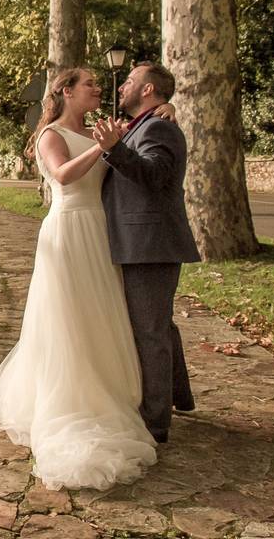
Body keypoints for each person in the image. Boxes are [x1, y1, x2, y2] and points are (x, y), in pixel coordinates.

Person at [0, 67, 163, 491]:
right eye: (91, 85)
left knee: (103, 312)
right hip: (68, 229)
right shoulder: (50, 135)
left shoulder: (102, 129)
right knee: (70, 316)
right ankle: (71, 405)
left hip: (102, 231)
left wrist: (163, 108)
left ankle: (111, 391)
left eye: (100, 84)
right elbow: (62, 176)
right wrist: (102, 150)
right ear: (66, 91)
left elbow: (136, 133)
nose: (100, 90)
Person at [93, 61, 200, 444]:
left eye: (130, 82)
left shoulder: (157, 127)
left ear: (149, 91)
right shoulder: (142, 124)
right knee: (161, 326)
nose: (122, 87)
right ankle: (180, 398)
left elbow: (155, 176)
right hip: (138, 243)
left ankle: (155, 424)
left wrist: (114, 150)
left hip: (149, 245)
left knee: (150, 332)